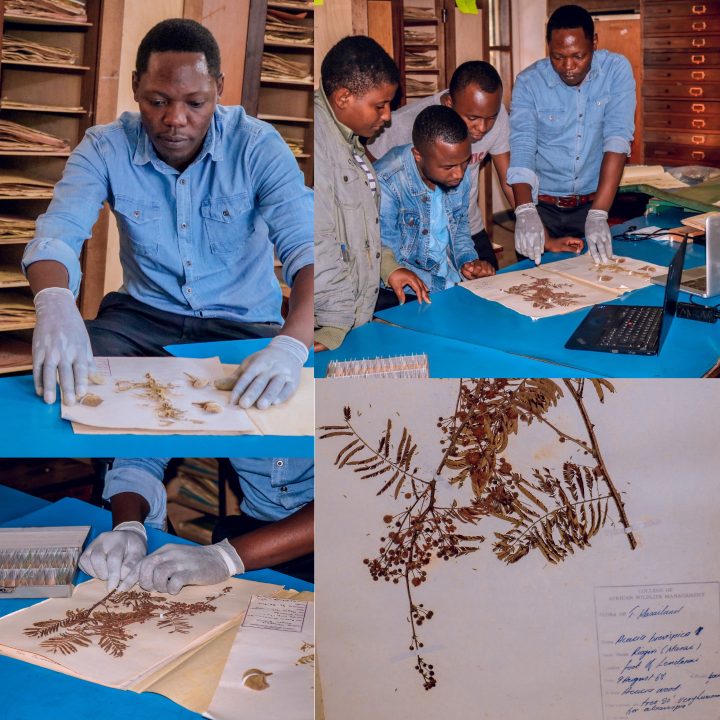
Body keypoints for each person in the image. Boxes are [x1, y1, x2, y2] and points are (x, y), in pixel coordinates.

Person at [22, 19, 314, 410]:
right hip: (142, 320)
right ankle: (131, 467)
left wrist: (292, 346)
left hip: (243, 326)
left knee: (267, 431)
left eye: (195, 103)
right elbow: (57, 234)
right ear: (135, 87)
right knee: (73, 384)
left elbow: (309, 250)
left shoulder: (257, 147)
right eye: (158, 101)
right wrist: (54, 301)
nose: (175, 118)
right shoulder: (104, 148)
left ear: (219, 89)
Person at [314, 35, 429, 352]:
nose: (388, 115)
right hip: (327, 323)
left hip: (350, 317)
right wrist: (334, 323)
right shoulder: (318, 147)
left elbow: (360, 226)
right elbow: (316, 241)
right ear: (343, 98)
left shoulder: (348, 138)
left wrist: (387, 267)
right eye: (379, 106)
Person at [508, 4, 635, 265]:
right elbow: (522, 146)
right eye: (557, 57)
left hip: (593, 205)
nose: (568, 66)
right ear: (548, 47)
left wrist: (599, 213)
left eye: (579, 56)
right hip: (541, 209)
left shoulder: (616, 71)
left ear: (595, 43)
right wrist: (524, 210)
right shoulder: (528, 82)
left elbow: (617, 139)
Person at [79, 457, 314, 593]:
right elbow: (141, 457)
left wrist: (225, 558)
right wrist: (129, 526)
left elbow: (347, 502)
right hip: (252, 531)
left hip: (341, 542)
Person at [369, 60, 512, 271]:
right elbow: (373, 171)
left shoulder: (492, 114)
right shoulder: (402, 125)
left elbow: (507, 178)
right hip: (411, 237)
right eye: (472, 118)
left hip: (461, 226)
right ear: (449, 103)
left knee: (489, 279)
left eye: (489, 118)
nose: (482, 128)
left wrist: (529, 216)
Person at [374, 106, 489, 309]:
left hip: (449, 284)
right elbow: (388, 260)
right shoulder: (387, 181)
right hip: (404, 296)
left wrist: (468, 263)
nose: (459, 175)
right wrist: (450, 287)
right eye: (448, 167)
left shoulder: (456, 167)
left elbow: (460, 227)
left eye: (465, 162)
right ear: (418, 155)